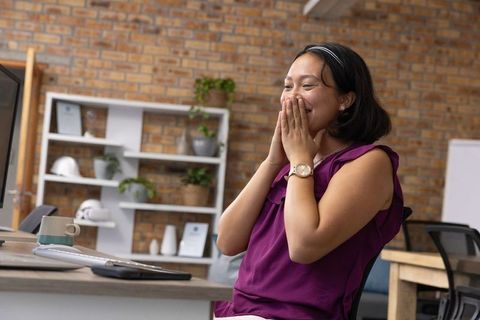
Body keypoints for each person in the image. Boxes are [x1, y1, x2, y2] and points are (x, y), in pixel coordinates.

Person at [214, 42, 404, 320]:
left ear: (345, 100)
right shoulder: (292, 163)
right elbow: (228, 241)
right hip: (240, 311)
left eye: (307, 85)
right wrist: (273, 162)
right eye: (287, 86)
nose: (293, 98)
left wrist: (300, 160)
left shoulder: (370, 163)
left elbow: (304, 247)